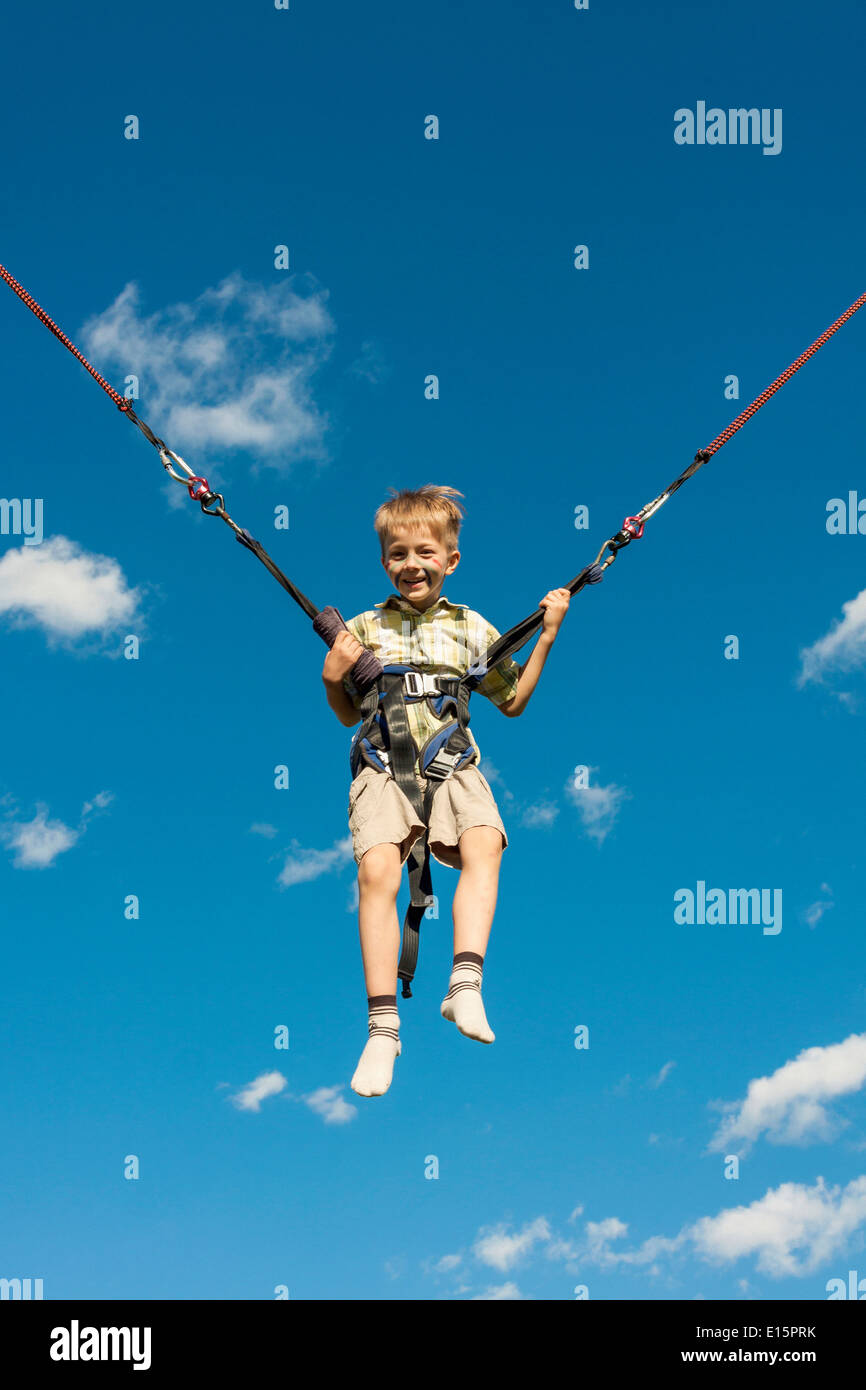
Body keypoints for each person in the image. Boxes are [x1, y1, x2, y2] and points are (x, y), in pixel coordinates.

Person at [321, 485, 570, 1096]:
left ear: (450, 560)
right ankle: (383, 1030)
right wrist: (334, 677)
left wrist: (547, 636)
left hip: (452, 762)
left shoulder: (470, 627)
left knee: (486, 842)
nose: (412, 564)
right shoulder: (361, 627)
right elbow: (346, 714)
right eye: (398, 554)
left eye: (425, 552)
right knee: (377, 871)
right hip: (381, 764)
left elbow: (510, 701)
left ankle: (465, 987)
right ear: (385, 562)